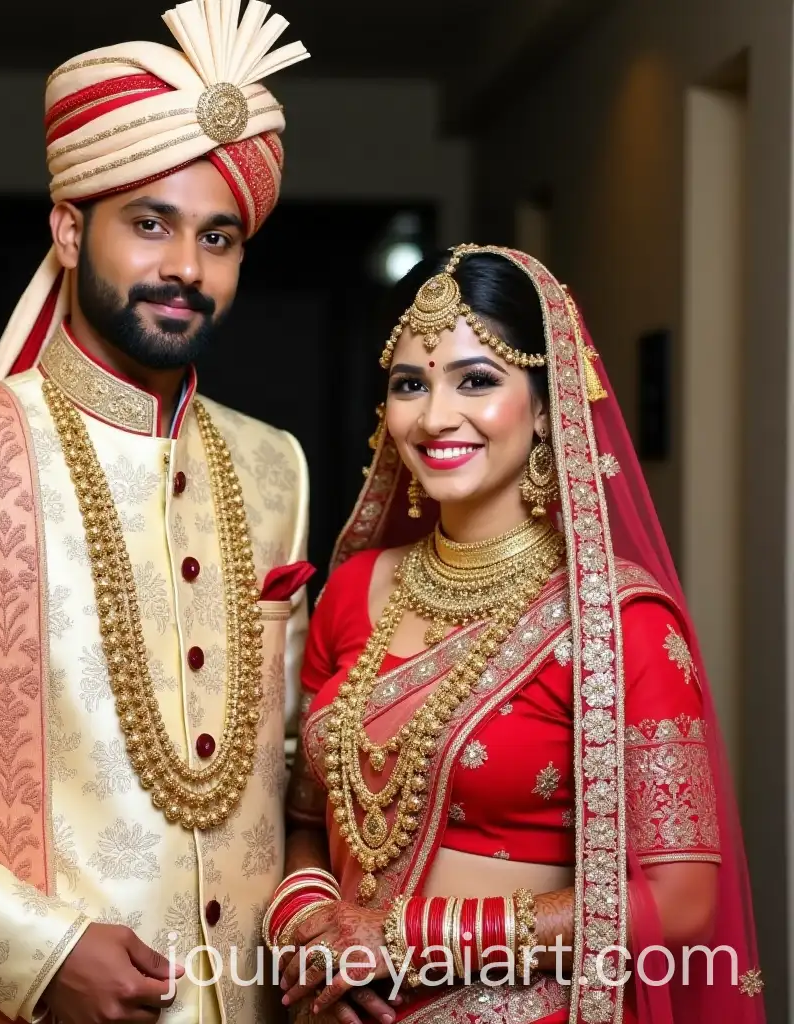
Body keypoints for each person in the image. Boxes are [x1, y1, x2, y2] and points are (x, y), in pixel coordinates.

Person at [0, 3, 316, 1024]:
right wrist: (37, 949)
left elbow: (287, 755)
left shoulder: (274, 465)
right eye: (149, 223)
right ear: (69, 229)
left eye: (218, 237)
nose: (184, 268)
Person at [262, 245, 765, 1024]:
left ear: (544, 405)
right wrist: (308, 927)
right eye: (409, 384)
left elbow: (684, 901)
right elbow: (303, 816)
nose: (434, 416)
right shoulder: (355, 589)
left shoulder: (621, 623)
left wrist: (401, 938)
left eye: (476, 380)